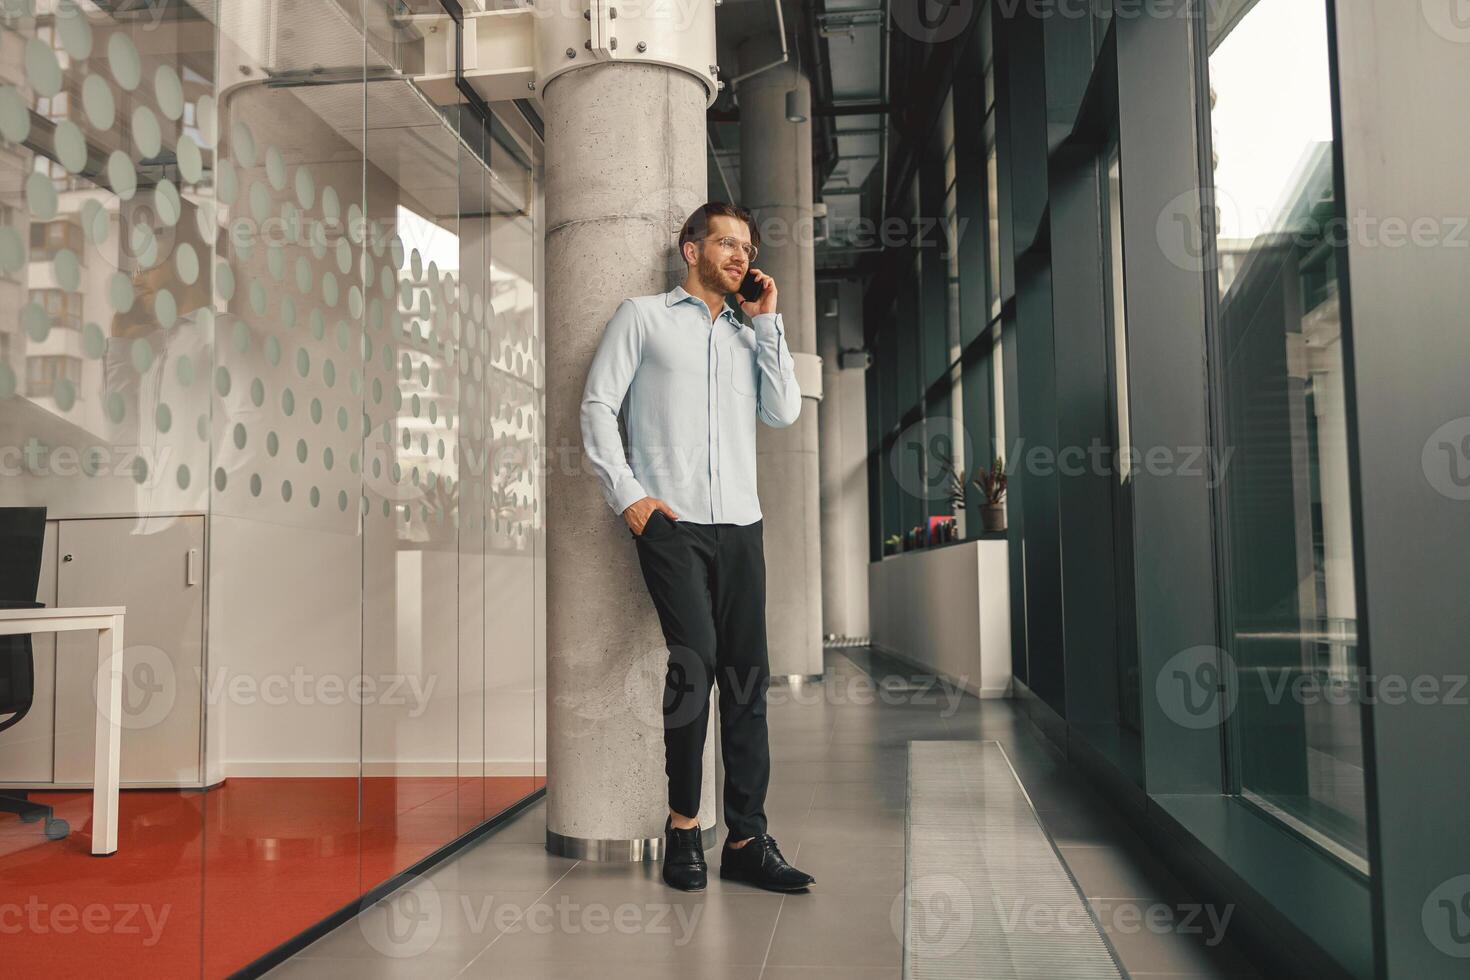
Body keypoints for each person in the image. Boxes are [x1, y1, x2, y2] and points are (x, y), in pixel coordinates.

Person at [579, 202, 815, 893]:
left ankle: (746, 837)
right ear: (691, 250)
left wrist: (768, 320)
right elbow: (596, 405)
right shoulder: (643, 318)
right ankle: (684, 826)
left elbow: (784, 411)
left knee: (747, 679)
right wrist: (631, 498)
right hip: (672, 526)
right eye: (726, 243)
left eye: (746, 246)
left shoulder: (750, 334)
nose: (741, 256)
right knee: (697, 662)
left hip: (742, 525)